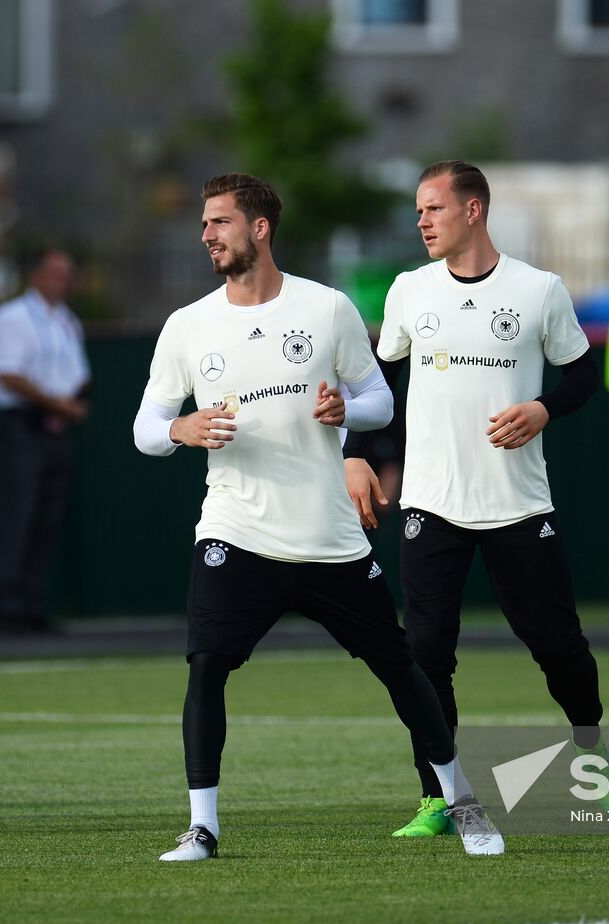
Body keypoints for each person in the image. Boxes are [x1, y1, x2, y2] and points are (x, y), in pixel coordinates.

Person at [132, 173, 503, 861]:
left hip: (328, 538)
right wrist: (182, 429)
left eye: (220, 222)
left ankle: (462, 802)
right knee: (207, 665)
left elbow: (380, 404)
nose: (207, 235)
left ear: (260, 227)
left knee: (400, 667)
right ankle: (203, 828)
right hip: (236, 530)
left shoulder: (326, 309)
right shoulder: (188, 325)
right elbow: (146, 428)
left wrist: (346, 413)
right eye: (205, 224)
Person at [342, 161, 609, 838]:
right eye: (417, 212)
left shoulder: (539, 290)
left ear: (472, 212)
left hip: (519, 505)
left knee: (556, 646)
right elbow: (375, 387)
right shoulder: (409, 291)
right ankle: (439, 794)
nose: (422, 222)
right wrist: (354, 453)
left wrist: (544, 409)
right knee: (426, 654)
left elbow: (583, 375)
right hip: (432, 505)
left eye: (432, 209)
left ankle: (594, 748)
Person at [0, 247, 90, 635]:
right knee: (21, 512)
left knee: (49, 517)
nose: (64, 280)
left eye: (68, 273)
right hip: (24, 425)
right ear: (37, 275)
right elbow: (6, 374)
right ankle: (8, 605)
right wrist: (56, 402)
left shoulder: (67, 321)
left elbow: (77, 373)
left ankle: (34, 604)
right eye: (57, 273)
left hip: (57, 429)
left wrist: (72, 404)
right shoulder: (11, 318)